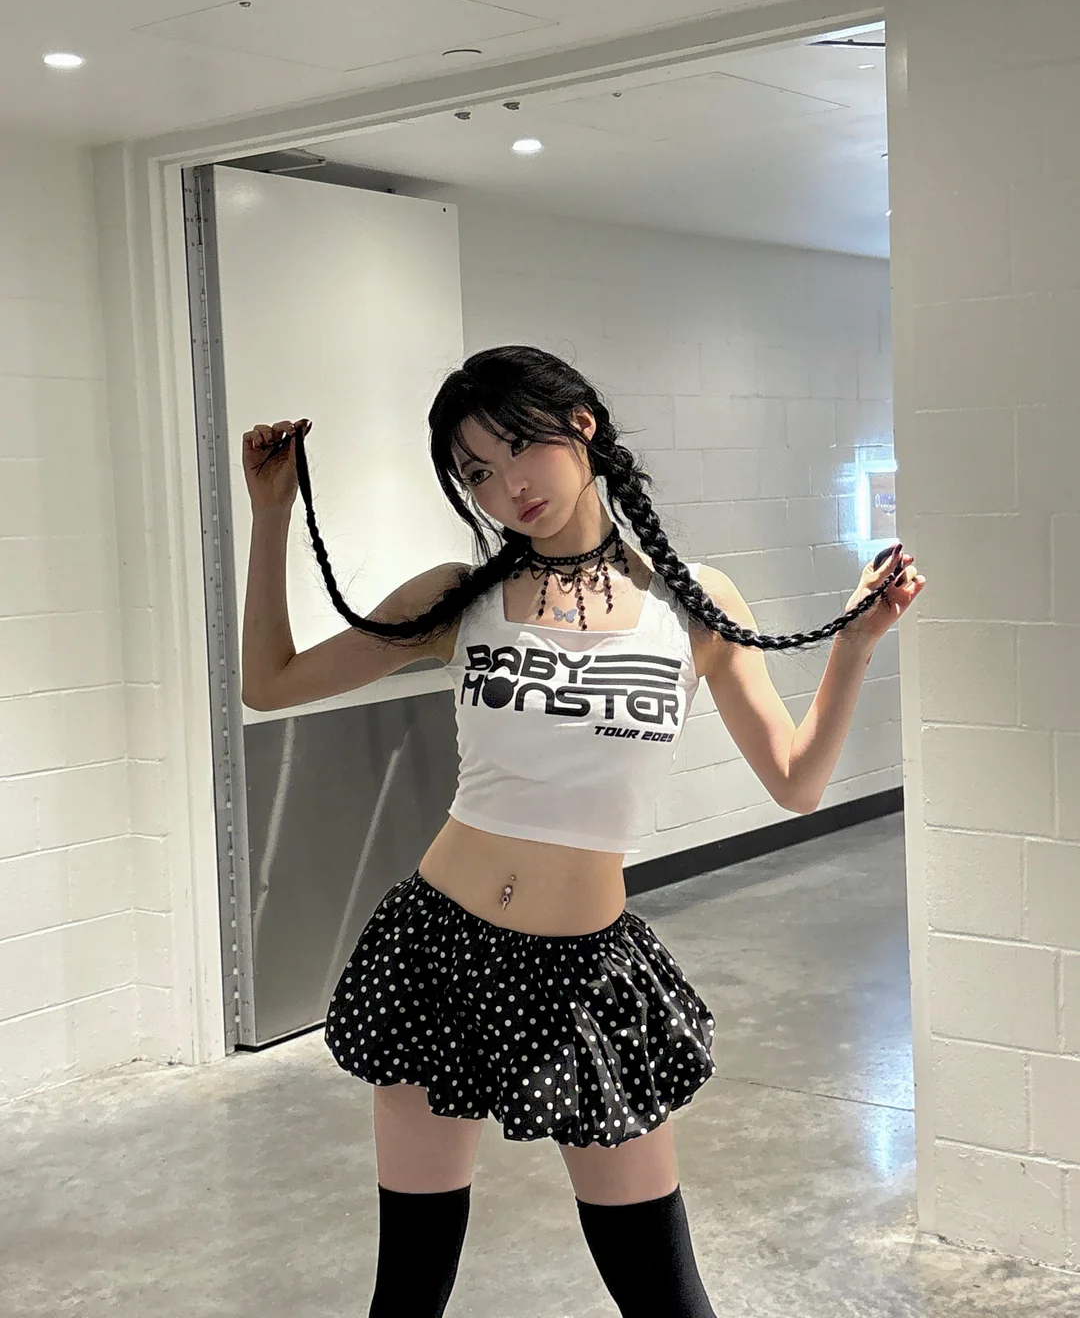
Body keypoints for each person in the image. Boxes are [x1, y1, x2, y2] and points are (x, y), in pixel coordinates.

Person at [240, 345, 924, 1317]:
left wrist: (854, 646)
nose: (507, 486)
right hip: (439, 952)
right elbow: (269, 683)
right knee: (411, 1289)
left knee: (664, 1293)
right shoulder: (458, 597)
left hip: (587, 974)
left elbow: (796, 779)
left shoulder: (691, 604)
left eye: (520, 447)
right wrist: (271, 515)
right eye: (477, 472)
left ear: (582, 426)